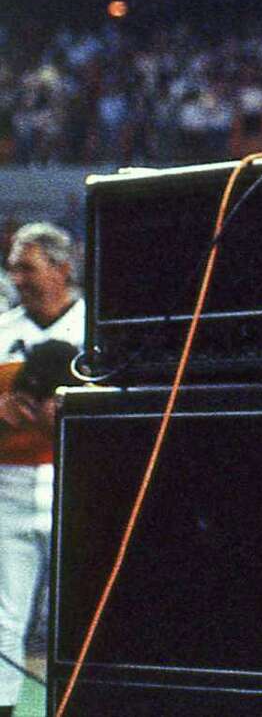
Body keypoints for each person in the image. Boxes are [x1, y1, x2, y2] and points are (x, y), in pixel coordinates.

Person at [0, 223, 85, 717]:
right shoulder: (5, 330)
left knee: (79, 610)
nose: (16, 277)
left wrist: (73, 412)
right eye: (13, 265)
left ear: (62, 268)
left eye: (26, 266)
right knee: (6, 615)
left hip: (75, 483)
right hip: (9, 482)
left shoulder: (96, 328)